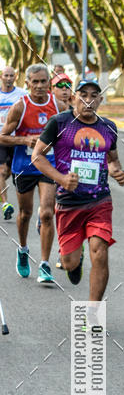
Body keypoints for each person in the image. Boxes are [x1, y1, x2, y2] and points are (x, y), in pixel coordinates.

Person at [31, 79, 124, 301]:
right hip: (68, 202)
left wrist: (117, 171)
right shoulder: (59, 123)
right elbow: (37, 156)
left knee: (100, 252)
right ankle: (76, 257)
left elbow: (113, 160)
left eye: (94, 95)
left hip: (99, 201)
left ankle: (94, 312)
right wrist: (62, 179)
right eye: (83, 94)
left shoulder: (108, 127)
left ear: (100, 100)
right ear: (73, 98)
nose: (88, 100)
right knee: (68, 263)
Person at [0, 64, 59, 283]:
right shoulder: (19, 106)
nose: (40, 86)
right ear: (27, 84)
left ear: (48, 83)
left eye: (43, 81)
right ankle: (23, 249)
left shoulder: (57, 104)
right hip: (24, 165)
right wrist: (25, 140)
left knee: (46, 213)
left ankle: (44, 264)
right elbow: (2, 137)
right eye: (35, 82)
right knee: (25, 214)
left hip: (49, 164)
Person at [0, 66, 25, 221]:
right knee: (1, 171)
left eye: (11, 75)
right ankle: (5, 204)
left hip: (17, 138)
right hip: (1, 138)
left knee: (12, 173)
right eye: (6, 75)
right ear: (1, 77)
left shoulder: (22, 94)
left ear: (15, 77)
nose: (8, 78)